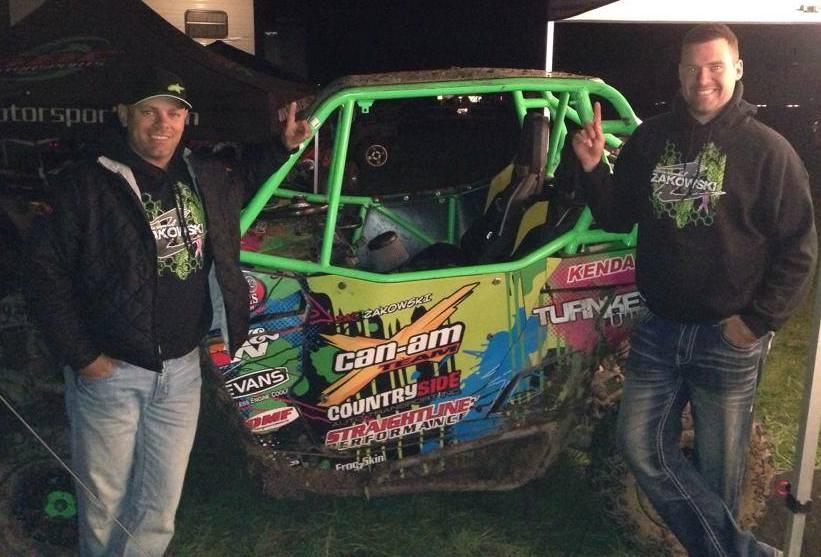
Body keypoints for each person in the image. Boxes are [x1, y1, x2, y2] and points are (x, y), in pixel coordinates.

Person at [23, 68, 311, 556]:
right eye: (148, 112)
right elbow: (43, 275)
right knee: (104, 503)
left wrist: (282, 146)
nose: (163, 124)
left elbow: (243, 181)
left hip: (181, 372)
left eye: (174, 113)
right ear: (124, 115)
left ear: (185, 119)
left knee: (159, 506)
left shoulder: (200, 175)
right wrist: (84, 357)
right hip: (109, 374)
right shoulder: (88, 184)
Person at [572, 24, 817, 556]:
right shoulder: (652, 139)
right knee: (638, 444)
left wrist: (755, 322)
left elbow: (800, 249)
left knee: (721, 474)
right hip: (660, 329)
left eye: (714, 66)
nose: (702, 78)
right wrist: (593, 167)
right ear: (680, 72)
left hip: (726, 339)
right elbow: (617, 216)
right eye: (691, 68)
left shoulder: (767, 151)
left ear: (737, 69)